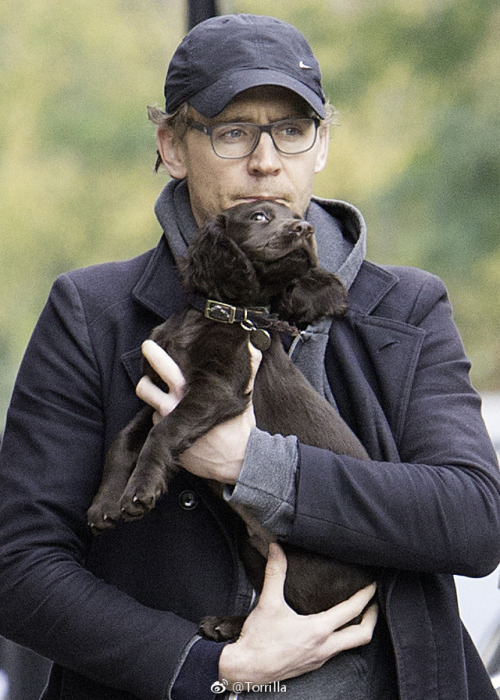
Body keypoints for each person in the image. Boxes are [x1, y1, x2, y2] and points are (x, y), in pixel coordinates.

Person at [0, 12, 499, 700]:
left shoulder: (407, 308)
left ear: (320, 146)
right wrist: (209, 667)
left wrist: (255, 465)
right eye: (232, 132)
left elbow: (473, 520)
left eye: (291, 131)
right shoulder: (92, 313)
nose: (267, 160)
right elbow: (19, 568)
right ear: (172, 145)